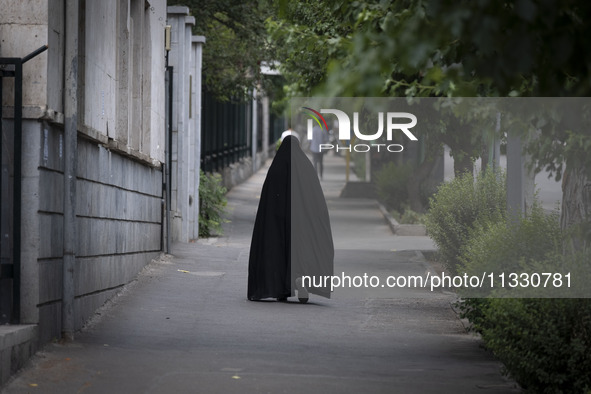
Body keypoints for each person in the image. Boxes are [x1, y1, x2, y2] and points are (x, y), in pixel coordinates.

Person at [247, 136, 334, 303]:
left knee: (278, 251)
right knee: (300, 250)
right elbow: (317, 198)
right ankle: (300, 278)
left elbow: (267, 202)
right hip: (301, 221)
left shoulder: (276, 169)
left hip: (277, 219)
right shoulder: (306, 167)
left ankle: (281, 288)